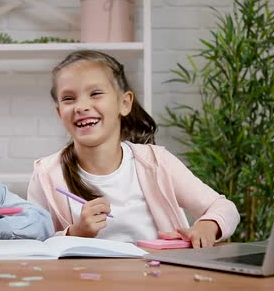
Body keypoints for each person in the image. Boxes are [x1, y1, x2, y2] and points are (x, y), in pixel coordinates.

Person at [27, 50, 239, 247]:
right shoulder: (46, 175)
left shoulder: (156, 162)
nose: (81, 106)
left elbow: (225, 208)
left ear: (124, 103)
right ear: (59, 113)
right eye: (68, 99)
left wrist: (208, 226)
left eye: (96, 93)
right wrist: (75, 233)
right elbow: (34, 242)